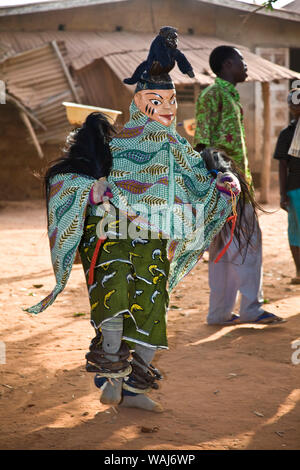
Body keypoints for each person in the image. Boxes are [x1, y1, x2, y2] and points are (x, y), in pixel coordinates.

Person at [26, 32, 242, 413]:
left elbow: (201, 184)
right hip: (111, 234)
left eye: (172, 101)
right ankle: (111, 376)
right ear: (139, 103)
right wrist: (93, 190)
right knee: (115, 298)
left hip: (152, 239)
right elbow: (65, 179)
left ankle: (129, 387)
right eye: (156, 101)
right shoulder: (115, 145)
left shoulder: (182, 154)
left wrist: (223, 181)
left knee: (152, 307)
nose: (166, 108)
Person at [194, 45, 284, 325]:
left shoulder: (230, 96)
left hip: (232, 184)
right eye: (242, 61)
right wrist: (215, 184)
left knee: (223, 249)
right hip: (226, 185)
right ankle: (251, 309)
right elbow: (202, 143)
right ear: (227, 64)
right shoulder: (213, 95)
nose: (246, 66)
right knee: (248, 243)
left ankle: (219, 313)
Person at [273, 88, 300, 284]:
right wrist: (282, 194)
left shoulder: (287, 133)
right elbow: (282, 164)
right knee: (295, 231)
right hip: (295, 187)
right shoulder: (287, 134)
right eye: (292, 102)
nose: (294, 106)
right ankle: (299, 271)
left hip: (294, 187)